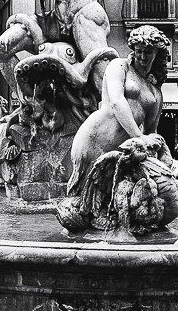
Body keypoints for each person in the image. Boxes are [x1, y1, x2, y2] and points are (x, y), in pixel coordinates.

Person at [66, 25, 170, 195]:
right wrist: (138, 137)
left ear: (157, 53)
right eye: (139, 51)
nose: (142, 56)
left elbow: (151, 131)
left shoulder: (155, 92)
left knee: (117, 203)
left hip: (123, 151)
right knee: (82, 198)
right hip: (95, 138)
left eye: (148, 52)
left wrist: (154, 156)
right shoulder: (119, 66)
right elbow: (116, 101)